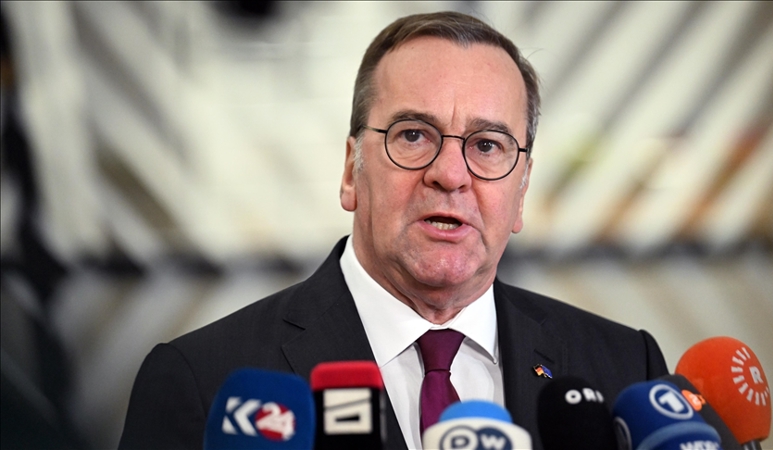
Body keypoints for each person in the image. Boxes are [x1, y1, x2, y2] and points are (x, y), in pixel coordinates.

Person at [119, 11, 668, 450]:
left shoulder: (627, 368)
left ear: (521, 191)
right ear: (350, 171)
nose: (450, 174)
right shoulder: (200, 381)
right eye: (413, 135)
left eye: (487, 145)